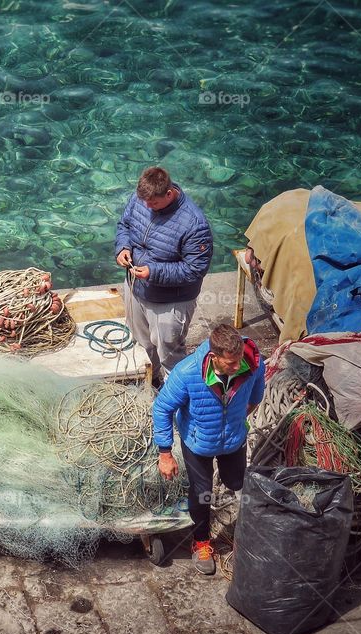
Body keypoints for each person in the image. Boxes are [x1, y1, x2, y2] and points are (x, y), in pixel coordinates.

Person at [152, 323, 265, 575]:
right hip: (198, 443)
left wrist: (236, 421)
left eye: (240, 361)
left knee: (237, 482)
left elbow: (256, 396)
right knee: (202, 492)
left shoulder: (253, 363)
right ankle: (201, 540)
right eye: (231, 363)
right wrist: (165, 453)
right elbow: (162, 409)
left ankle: (247, 530)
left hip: (234, 439)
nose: (239, 367)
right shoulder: (186, 372)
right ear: (214, 357)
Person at [115, 167, 213, 387]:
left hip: (170, 301)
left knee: (169, 353)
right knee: (142, 344)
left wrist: (154, 272)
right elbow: (125, 225)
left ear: (169, 194)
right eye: (145, 202)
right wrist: (122, 248)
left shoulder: (195, 225)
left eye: (154, 204)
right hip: (136, 288)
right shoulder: (142, 198)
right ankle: (152, 381)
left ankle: (177, 397)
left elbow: (195, 268)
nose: (148, 207)